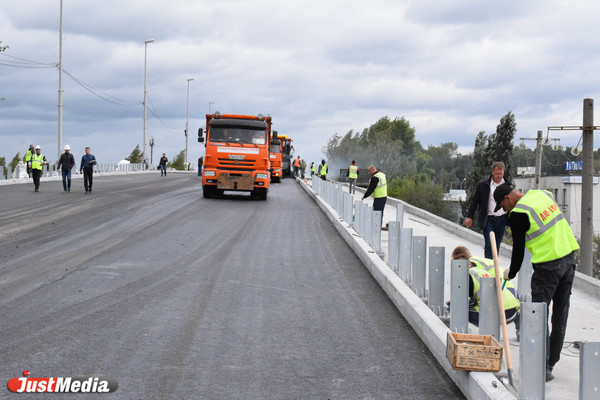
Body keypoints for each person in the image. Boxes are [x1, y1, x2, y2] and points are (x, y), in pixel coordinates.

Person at [494, 183, 579, 381]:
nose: (505, 210)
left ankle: (541, 366)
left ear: (507, 198)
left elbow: (518, 251)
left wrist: (511, 273)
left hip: (547, 268)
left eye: (503, 206)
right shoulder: (543, 194)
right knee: (560, 316)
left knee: (537, 317)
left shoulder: (518, 214)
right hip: (568, 261)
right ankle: (550, 364)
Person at [451, 246, 520, 336]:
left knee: (460, 308)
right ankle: (520, 329)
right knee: (512, 300)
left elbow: (467, 294)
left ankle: (484, 332)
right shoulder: (478, 265)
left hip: (498, 288)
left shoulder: (470, 271)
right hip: (510, 300)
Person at [464, 162, 510, 258]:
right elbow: (475, 201)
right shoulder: (483, 185)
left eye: (501, 173)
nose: (499, 176)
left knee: (496, 245)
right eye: (497, 173)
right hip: (488, 219)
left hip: (502, 220)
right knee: (490, 244)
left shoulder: (508, 185)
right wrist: (469, 217)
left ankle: (494, 268)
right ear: (492, 172)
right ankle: (489, 267)